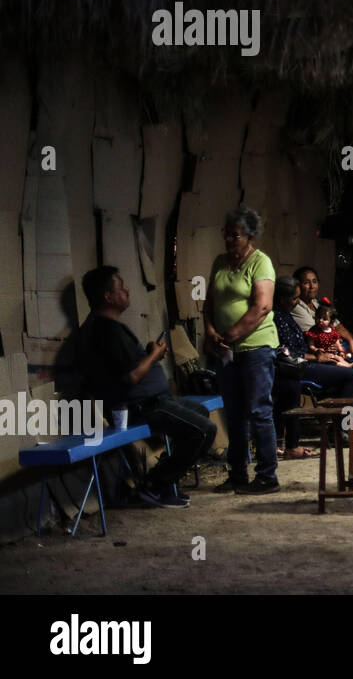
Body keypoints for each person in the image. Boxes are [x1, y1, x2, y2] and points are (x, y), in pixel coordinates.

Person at [76, 265, 216, 508]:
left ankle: (163, 475)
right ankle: (154, 485)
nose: (127, 291)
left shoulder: (110, 328)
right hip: (140, 406)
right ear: (108, 296)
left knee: (200, 413)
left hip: (155, 400)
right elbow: (131, 377)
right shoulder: (105, 330)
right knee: (204, 430)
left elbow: (129, 365)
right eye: (121, 288)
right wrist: (154, 355)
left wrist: (150, 353)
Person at [205, 206, 280, 495]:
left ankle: (266, 476)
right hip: (226, 350)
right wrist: (211, 331)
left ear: (249, 236)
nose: (228, 240)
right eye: (225, 234)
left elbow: (262, 306)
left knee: (258, 410)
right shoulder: (220, 262)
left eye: (234, 235)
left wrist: (231, 334)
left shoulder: (260, 263)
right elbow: (210, 303)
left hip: (255, 347)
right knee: (234, 413)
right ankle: (237, 473)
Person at [271, 277, 353, 459]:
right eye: (294, 298)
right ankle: (341, 431)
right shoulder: (277, 318)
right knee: (351, 377)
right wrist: (317, 357)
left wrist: (324, 353)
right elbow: (286, 353)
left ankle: (341, 427)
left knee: (352, 373)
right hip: (298, 367)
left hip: (308, 362)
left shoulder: (286, 315)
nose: (297, 301)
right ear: (282, 299)